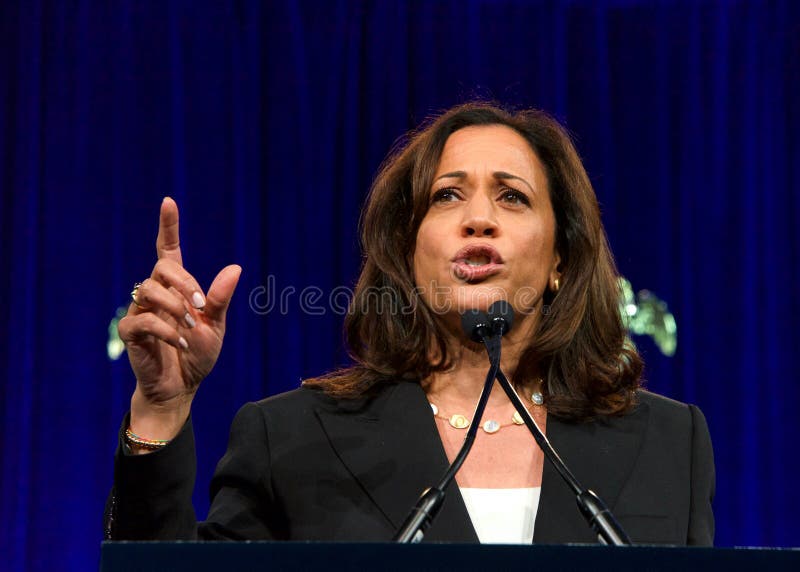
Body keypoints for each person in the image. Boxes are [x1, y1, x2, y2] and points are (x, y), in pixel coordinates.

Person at [106, 103, 715, 545]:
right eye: (447, 196)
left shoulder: (668, 442)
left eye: (512, 197)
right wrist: (161, 410)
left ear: (559, 260)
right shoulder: (292, 439)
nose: (479, 219)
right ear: (407, 249)